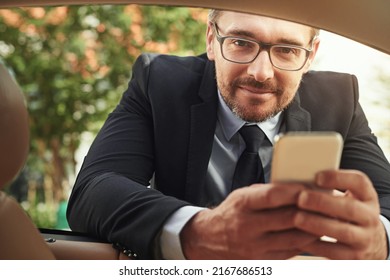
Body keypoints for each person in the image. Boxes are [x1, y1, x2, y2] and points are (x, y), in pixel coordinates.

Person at [67, 10, 390, 260]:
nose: (260, 72)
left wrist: (379, 239)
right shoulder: (159, 82)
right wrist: (199, 231)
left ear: (310, 55)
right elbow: (95, 191)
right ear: (211, 40)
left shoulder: (339, 98)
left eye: (287, 50)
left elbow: (387, 200)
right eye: (240, 42)